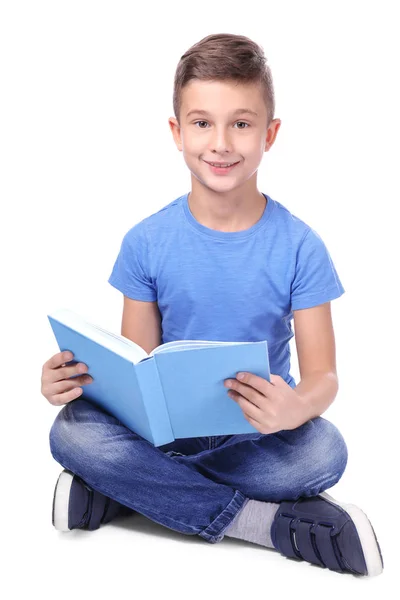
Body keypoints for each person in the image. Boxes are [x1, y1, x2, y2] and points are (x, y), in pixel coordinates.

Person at [41, 33, 383, 577]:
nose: (220, 142)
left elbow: (324, 378)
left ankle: (131, 492)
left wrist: (296, 408)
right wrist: (77, 380)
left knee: (324, 453)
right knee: (72, 430)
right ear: (177, 133)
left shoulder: (300, 246)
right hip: (168, 433)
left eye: (241, 124)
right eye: (202, 123)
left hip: (260, 433)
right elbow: (138, 368)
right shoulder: (147, 241)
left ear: (270, 134)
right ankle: (264, 524)